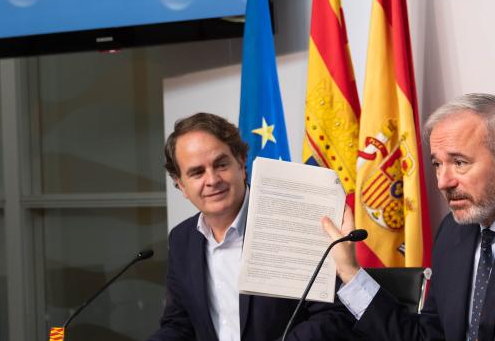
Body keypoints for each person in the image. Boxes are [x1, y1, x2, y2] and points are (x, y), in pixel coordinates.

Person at [322, 93, 495, 340]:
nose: (443, 181)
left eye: (459, 163)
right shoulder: (454, 232)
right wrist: (349, 271)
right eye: (437, 164)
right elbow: (427, 337)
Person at [149, 113, 355, 341]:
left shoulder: (292, 221)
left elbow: (334, 315)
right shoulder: (181, 238)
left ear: (241, 161)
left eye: (221, 164)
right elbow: (178, 324)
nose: (212, 179)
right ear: (181, 185)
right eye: (197, 172)